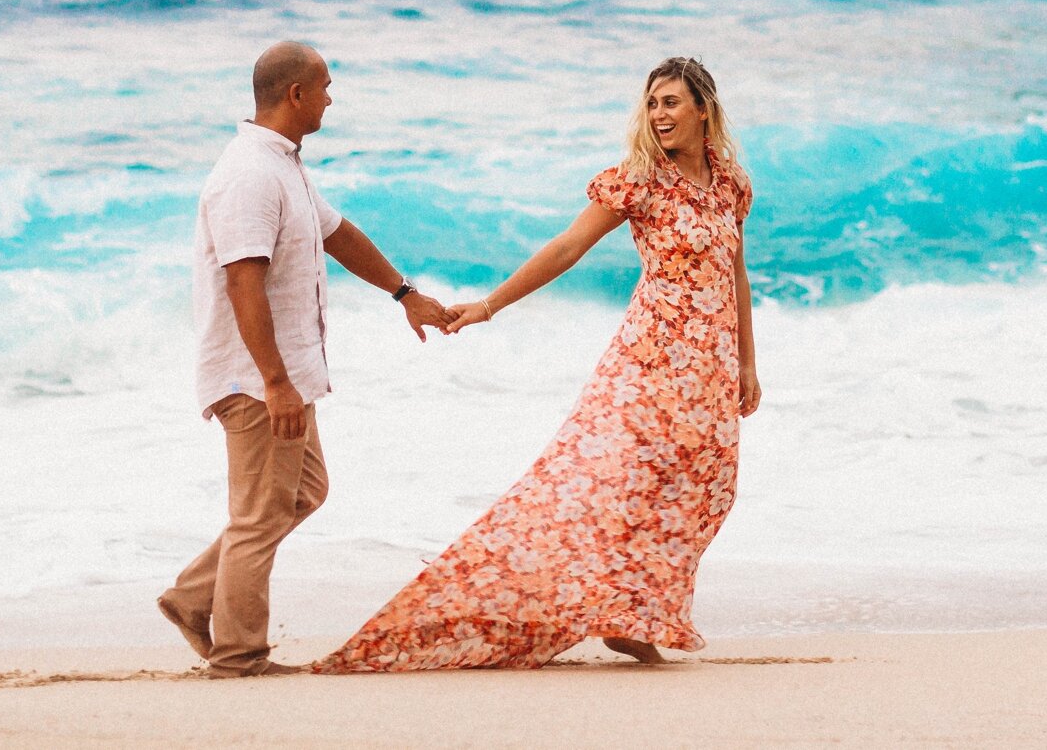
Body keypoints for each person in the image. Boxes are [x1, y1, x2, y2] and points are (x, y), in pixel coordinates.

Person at [309, 56, 760, 673]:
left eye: (672, 102)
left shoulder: (731, 184)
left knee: (705, 488)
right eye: (652, 103)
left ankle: (639, 610)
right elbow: (567, 247)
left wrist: (746, 364)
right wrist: (491, 305)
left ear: (703, 109)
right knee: (606, 484)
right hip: (650, 361)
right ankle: (621, 618)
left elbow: (735, 273)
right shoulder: (639, 183)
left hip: (709, 367)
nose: (659, 114)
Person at [159, 41, 451, 677]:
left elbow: (338, 234)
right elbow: (243, 281)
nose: (330, 98)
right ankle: (238, 655)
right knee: (260, 514)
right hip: (257, 377)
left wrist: (406, 294)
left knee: (303, 490)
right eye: (324, 86)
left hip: (281, 374)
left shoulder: (282, 165)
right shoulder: (248, 175)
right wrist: (274, 384)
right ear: (294, 95)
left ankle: (191, 597)